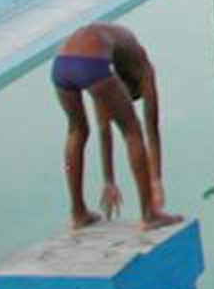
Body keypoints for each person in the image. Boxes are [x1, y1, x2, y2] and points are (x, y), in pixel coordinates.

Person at [50, 22, 179, 229]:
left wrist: (108, 180)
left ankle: (78, 212)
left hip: (61, 64)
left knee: (76, 130)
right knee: (132, 130)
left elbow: (104, 127)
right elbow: (151, 127)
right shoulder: (144, 69)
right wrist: (156, 180)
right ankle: (149, 214)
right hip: (88, 62)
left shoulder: (110, 67)